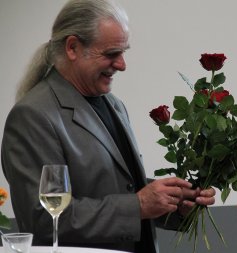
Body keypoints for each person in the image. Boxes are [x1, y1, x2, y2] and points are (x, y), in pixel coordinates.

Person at [1, 0, 215, 252]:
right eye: (111, 54)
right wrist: (138, 205)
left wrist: (175, 201)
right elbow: (44, 219)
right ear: (72, 47)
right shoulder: (33, 115)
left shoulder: (113, 104)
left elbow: (119, 186)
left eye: (124, 52)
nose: (122, 64)